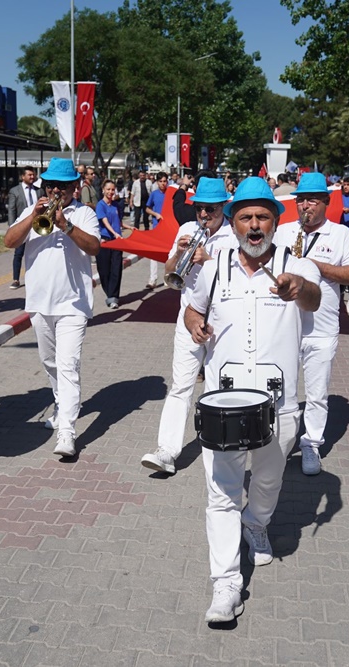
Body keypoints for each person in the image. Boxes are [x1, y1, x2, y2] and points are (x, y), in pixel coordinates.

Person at [183, 176, 321, 625]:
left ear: (276, 222)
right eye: (246, 217)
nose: (255, 225)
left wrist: (299, 288)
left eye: (263, 216)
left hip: (278, 404)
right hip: (223, 404)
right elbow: (191, 308)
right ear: (234, 223)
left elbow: (314, 298)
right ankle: (226, 584)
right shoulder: (213, 267)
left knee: (267, 482)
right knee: (222, 492)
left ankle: (256, 523)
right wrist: (194, 324)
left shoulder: (297, 265)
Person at [4, 158, 101, 458]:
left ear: (75, 186)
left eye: (62, 186)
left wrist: (66, 226)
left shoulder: (84, 213)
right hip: (39, 301)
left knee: (68, 364)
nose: (55, 190)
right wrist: (33, 216)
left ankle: (67, 432)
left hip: (73, 303)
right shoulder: (32, 210)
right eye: (50, 186)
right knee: (50, 362)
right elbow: (9, 241)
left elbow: (95, 247)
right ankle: (61, 405)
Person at [140, 177, 238, 475]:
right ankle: (167, 450)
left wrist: (209, 259)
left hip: (224, 321)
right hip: (188, 315)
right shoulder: (187, 229)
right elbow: (170, 271)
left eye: (210, 209)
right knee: (181, 384)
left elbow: (239, 280)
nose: (204, 215)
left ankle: (217, 445)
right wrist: (180, 254)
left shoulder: (235, 234)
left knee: (218, 385)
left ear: (223, 207)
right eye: (199, 209)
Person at [274, 172, 349, 476]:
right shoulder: (283, 232)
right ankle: (281, 442)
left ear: (326, 202)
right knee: (282, 391)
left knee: (316, 394)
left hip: (321, 329)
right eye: (301, 200)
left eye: (312, 200)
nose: (305, 206)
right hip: (285, 326)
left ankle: (311, 443)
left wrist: (314, 266)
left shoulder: (340, 234)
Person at [95, 179, 133, 309]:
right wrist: (114, 233)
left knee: (116, 268)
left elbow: (118, 222)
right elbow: (105, 222)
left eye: (113, 190)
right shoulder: (100, 205)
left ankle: (113, 297)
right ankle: (109, 294)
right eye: (108, 189)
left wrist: (129, 227)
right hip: (105, 240)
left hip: (117, 241)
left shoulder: (116, 205)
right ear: (103, 190)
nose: (111, 192)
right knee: (104, 270)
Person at [6, 166, 40, 290]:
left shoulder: (39, 191)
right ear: (22, 176)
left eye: (33, 174)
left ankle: (37, 276)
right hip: (21, 226)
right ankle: (16, 279)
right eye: (29, 175)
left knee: (37, 251)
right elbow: (11, 210)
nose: (32, 177)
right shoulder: (15, 191)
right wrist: (12, 227)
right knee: (18, 253)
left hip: (37, 227)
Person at [144, 172, 170, 289]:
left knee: (168, 254)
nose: (163, 184)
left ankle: (167, 278)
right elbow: (147, 209)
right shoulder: (154, 194)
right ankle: (152, 280)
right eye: (160, 181)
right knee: (153, 254)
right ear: (157, 182)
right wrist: (156, 214)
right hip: (156, 227)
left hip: (168, 228)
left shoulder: (171, 194)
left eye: (164, 181)